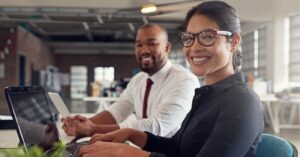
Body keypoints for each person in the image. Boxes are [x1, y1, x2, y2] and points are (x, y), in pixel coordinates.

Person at [77, 1, 264, 157]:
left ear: (233, 42)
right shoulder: (207, 95)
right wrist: (132, 134)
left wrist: (126, 153)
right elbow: (178, 148)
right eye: (189, 38)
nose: (194, 47)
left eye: (207, 36)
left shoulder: (241, 103)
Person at [62, 23, 200, 138]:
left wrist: (94, 129)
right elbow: (116, 112)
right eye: (139, 45)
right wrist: (82, 125)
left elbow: (156, 127)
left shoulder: (184, 81)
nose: (144, 50)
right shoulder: (138, 80)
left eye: (152, 43)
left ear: (167, 47)